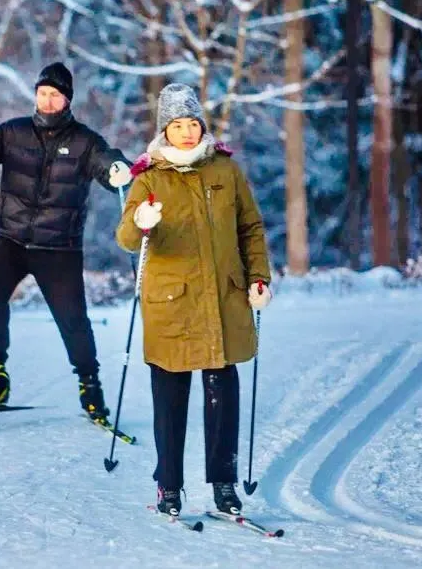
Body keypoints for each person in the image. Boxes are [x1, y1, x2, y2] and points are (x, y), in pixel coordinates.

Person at [0, 62, 133, 422]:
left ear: (67, 100)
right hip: (11, 241)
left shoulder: (84, 141)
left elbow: (108, 163)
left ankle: (90, 388)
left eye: (55, 95)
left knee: (73, 320)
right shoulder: (13, 133)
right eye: (43, 93)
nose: (47, 101)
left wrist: (117, 169)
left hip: (59, 248)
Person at [115, 83, 273, 518]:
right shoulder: (147, 175)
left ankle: (224, 485)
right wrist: (142, 221)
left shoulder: (225, 170)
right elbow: (127, 238)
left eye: (192, 123)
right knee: (170, 399)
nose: (186, 132)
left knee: (223, 396)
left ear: (202, 125)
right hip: (171, 304)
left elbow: (250, 229)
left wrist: (258, 277)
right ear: (165, 130)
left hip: (223, 298)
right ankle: (169, 487)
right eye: (177, 125)